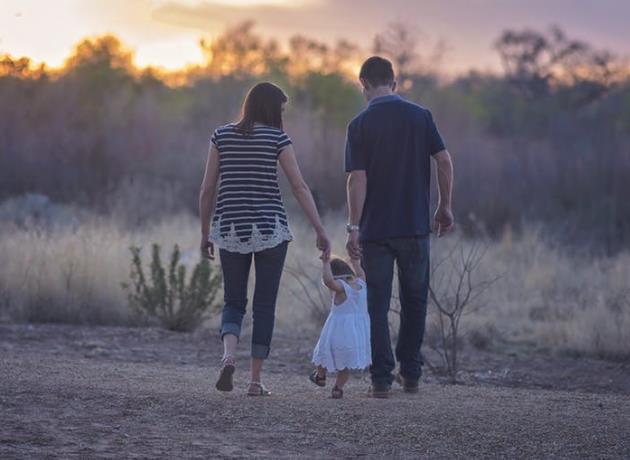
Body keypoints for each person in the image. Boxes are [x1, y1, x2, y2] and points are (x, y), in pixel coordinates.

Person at [199, 82, 331, 396]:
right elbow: (299, 187)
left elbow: (206, 190)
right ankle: (255, 381)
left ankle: (229, 355)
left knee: (233, 301)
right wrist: (320, 229)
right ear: (272, 109)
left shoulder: (221, 136)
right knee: (264, 306)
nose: (283, 115)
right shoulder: (278, 139)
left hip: (230, 228)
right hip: (271, 229)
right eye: (282, 109)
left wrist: (205, 233)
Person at [344, 56, 454, 398]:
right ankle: (411, 375)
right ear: (394, 81)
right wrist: (444, 206)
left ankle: (380, 379)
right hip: (415, 228)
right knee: (415, 301)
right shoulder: (421, 117)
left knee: (376, 304)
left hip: (375, 230)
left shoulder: (359, 124)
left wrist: (353, 226)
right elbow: (444, 160)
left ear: (363, 84)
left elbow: (356, 179)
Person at [309, 255, 371, 399]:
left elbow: (328, 281)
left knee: (322, 354)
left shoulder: (341, 288)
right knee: (345, 365)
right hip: (355, 335)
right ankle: (338, 388)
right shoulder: (362, 283)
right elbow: (360, 272)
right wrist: (355, 261)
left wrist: (325, 263)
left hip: (337, 332)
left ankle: (320, 376)